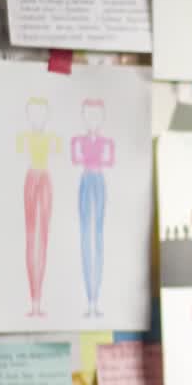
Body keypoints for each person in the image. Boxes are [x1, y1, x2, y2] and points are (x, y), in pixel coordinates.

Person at [16, 98, 61, 318]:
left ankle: (38, 301)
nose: (38, 118)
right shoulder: (24, 139)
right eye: (33, 113)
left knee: (42, 239)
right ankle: (33, 300)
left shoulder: (52, 140)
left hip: (45, 181)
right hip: (31, 180)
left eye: (41, 113)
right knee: (31, 238)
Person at [71, 99, 115, 318]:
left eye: (96, 115)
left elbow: (109, 161)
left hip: (98, 181)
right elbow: (75, 158)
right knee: (85, 235)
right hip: (86, 181)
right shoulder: (78, 140)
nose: (92, 120)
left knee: (97, 234)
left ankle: (95, 299)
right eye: (88, 115)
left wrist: (91, 159)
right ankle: (89, 299)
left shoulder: (106, 142)